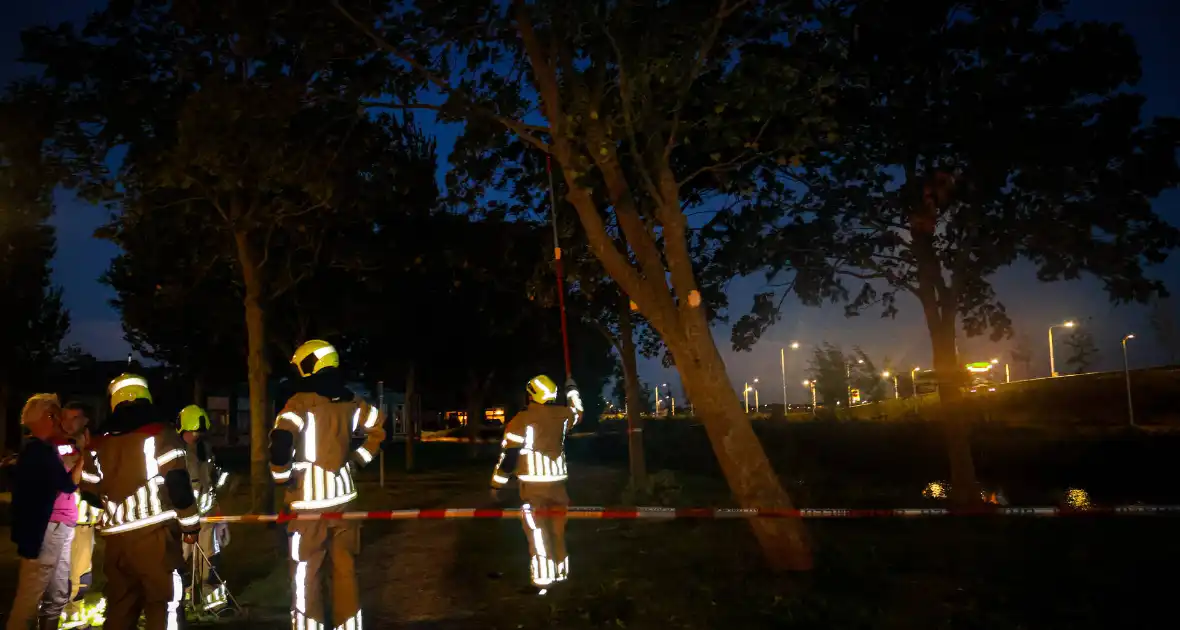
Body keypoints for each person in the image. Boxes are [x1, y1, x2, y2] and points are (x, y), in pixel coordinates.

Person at [269, 340, 385, 630]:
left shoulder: (298, 404)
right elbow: (382, 429)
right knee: (345, 568)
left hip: (307, 505)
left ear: (308, 365)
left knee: (307, 571)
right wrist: (358, 458)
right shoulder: (352, 402)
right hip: (345, 500)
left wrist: (282, 478)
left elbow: (280, 445)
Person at [80, 374, 201, 630]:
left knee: (121, 608)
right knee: (164, 605)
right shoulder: (161, 434)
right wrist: (190, 526)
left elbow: (89, 492)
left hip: (116, 543)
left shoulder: (97, 444)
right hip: (154, 539)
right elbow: (178, 484)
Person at [488, 374, 583, 595]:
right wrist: (573, 391)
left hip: (533, 490)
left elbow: (509, 457)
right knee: (558, 532)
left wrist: (497, 485)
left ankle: (542, 582)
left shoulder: (520, 420)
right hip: (559, 487)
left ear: (531, 395)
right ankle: (561, 575)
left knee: (539, 534)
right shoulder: (564, 415)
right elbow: (578, 413)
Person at [6, 394, 84, 630]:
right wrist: (83, 458)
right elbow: (68, 484)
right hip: (47, 529)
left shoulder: (38, 450)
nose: (60, 422)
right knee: (30, 598)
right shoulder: (39, 451)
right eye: (57, 416)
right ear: (48, 417)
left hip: (56, 527)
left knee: (57, 594)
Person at [176, 404, 231, 614]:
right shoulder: (176, 453)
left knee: (210, 560)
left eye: (199, 433)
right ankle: (179, 602)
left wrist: (220, 515)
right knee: (179, 562)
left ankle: (213, 604)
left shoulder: (205, 450)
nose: (196, 437)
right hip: (183, 518)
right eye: (192, 433)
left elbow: (210, 486)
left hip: (207, 517)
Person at [58, 402, 105, 630]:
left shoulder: (94, 446)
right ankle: (66, 616)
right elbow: (72, 479)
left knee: (83, 571)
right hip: (66, 522)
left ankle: (74, 615)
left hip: (86, 520)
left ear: (85, 420)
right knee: (66, 572)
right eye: (65, 418)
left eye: (75, 417)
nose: (69, 423)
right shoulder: (62, 448)